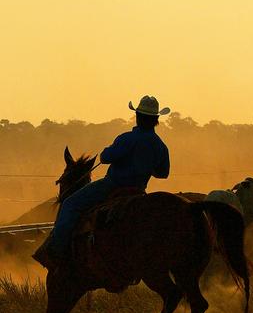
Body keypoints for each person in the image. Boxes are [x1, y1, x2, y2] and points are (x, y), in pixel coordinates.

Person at [33, 95, 171, 269]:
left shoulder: (127, 138)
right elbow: (163, 173)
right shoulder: (160, 146)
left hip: (112, 186)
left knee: (70, 204)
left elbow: (105, 157)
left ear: (137, 116)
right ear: (156, 120)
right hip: (138, 190)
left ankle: (56, 252)